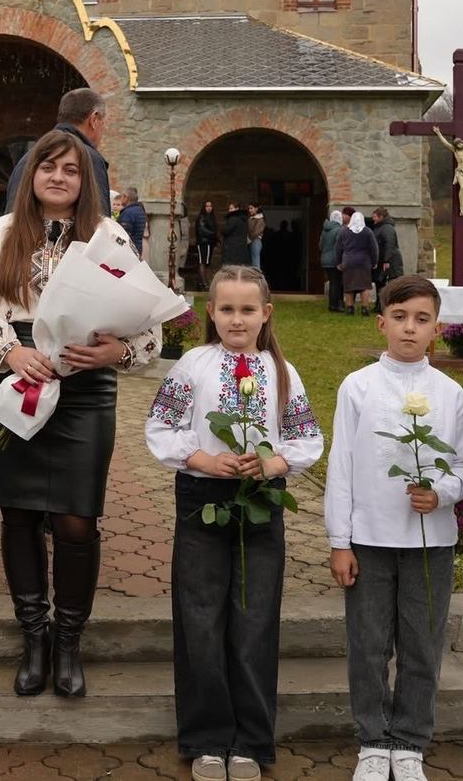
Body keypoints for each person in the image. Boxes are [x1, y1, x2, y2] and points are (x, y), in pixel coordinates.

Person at [0, 130, 159, 699]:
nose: (59, 177)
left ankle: (69, 640)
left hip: (84, 387)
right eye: (49, 167)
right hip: (14, 376)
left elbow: (150, 323)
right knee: (18, 514)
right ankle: (34, 638)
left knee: (75, 519)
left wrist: (118, 352)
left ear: (85, 181)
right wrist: (9, 351)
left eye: (71, 169)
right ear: (31, 175)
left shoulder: (110, 237)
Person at [145, 265, 323, 780]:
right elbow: (161, 425)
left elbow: (307, 437)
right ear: (211, 312)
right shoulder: (192, 366)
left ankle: (251, 741)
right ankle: (206, 738)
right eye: (227, 309)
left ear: (266, 313)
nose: (237, 319)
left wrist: (272, 463)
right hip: (202, 498)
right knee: (200, 618)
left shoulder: (282, 373)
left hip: (260, 500)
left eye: (248, 310)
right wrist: (202, 458)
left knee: (254, 618)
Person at [325, 275, 463, 781]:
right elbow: (342, 467)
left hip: (429, 543)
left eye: (421, 319)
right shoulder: (358, 387)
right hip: (369, 540)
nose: (409, 328)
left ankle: (410, 741)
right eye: (399, 317)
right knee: (369, 644)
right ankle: (373, 739)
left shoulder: (450, 394)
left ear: (437, 328)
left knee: (422, 644)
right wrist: (340, 541)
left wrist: (442, 493)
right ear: (381, 323)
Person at [4, 88, 111, 208]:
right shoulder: (88, 158)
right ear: (94, 119)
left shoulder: (27, 157)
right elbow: (97, 215)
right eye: (48, 168)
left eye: (69, 171)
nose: (57, 178)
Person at [338, 209, 379, 316]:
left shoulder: (344, 231)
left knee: (349, 286)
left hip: (348, 261)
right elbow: (374, 248)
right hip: (364, 262)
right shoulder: (367, 231)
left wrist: (338, 262)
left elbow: (338, 248)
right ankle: (365, 308)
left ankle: (349, 308)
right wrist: (374, 261)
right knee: (364, 286)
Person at [372, 208, 404, 312]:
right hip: (382, 260)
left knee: (392, 284)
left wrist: (386, 260)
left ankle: (390, 306)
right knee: (380, 283)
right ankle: (380, 306)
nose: (373, 219)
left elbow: (389, 245)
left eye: (375, 217)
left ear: (381, 217)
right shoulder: (380, 228)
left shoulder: (387, 229)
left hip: (390, 261)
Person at [320, 209, 344, 312]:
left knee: (332, 282)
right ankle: (334, 305)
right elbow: (339, 246)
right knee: (336, 283)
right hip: (334, 260)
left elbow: (320, 245)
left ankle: (332, 304)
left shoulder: (325, 230)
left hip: (325, 259)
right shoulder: (339, 230)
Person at [117, 187, 148, 259]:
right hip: (138, 248)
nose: (121, 199)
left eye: (121, 197)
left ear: (126, 197)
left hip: (129, 251)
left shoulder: (128, 213)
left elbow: (124, 234)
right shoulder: (139, 210)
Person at [194, 201, 218, 288]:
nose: (209, 208)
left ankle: (201, 282)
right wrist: (213, 234)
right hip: (203, 242)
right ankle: (204, 282)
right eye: (207, 206)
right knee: (203, 262)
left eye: (210, 206)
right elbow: (202, 230)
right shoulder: (202, 217)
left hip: (208, 242)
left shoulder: (211, 217)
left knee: (205, 262)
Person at [220, 203, 249, 268]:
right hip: (241, 245)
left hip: (232, 246)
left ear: (237, 208)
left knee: (230, 266)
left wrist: (221, 230)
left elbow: (226, 230)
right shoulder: (243, 219)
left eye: (231, 208)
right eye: (229, 208)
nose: (229, 210)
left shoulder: (233, 219)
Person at [247, 203, 266, 272]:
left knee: (255, 263)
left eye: (251, 208)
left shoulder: (260, 219)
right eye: (249, 208)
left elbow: (256, 232)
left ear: (256, 208)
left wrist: (249, 239)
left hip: (256, 241)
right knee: (251, 263)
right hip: (250, 241)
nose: (250, 210)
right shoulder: (250, 218)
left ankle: (257, 277)